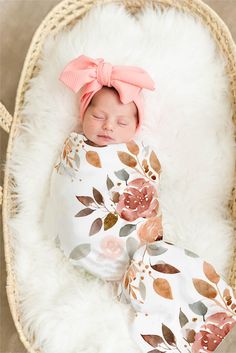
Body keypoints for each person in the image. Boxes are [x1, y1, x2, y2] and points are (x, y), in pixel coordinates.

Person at [48, 55, 236, 353]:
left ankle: (197, 323)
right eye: (98, 116)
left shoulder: (136, 152)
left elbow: (150, 178)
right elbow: (64, 189)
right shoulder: (75, 148)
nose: (109, 126)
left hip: (132, 247)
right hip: (85, 244)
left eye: (122, 121)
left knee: (161, 265)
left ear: (135, 127)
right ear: (83, 114)